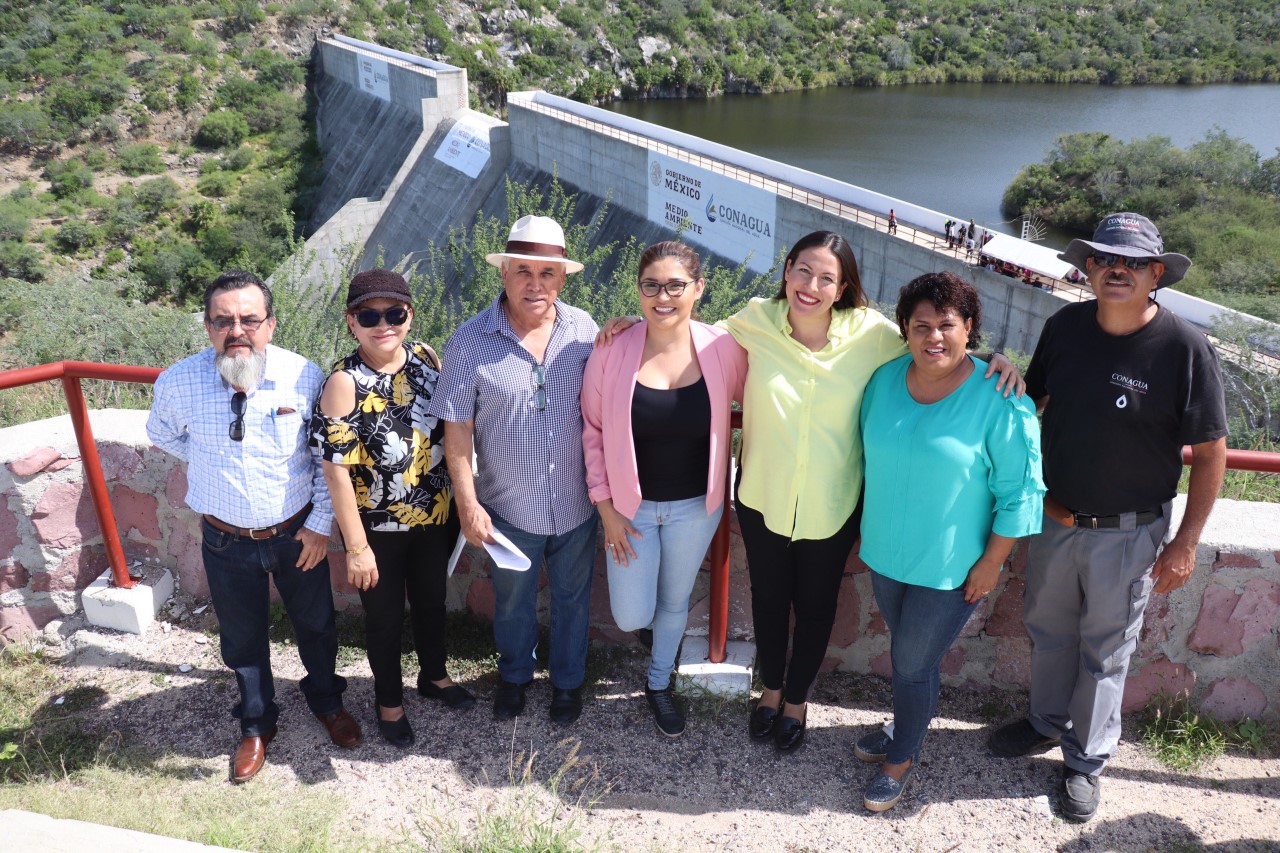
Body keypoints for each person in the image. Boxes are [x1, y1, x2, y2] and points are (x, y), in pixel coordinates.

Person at [599, 231, 1022, 755]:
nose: (812, 286)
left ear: (844, 287)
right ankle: (770, 693)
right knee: (770, 601)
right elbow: (683, 329)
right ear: (787, 271)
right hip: (762, 496)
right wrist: (629, 329)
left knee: (817, 607)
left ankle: (797, 701)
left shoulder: (870, 334)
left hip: (832, 502)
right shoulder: (755, 320)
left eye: (827, 278)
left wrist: (993, 357)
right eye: (803, 271)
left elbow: (933, 343)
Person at [988, 212, 1228, 823]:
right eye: (1103, 259)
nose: (1116, 270)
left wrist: (1185, 542)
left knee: (1106, 653)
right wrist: (996, 374)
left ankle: (1086, 761)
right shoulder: (1066, 325)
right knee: (1048, 631)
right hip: (1056, 520)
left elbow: (1209, 454)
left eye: (1133, 263)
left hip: (1129, 533)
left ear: (1156, 275)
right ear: (1088, 268)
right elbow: (1031, 401)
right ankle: (1045, 722)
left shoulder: (1183, 347)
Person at [147, 271, 360, 784]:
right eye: (224, 321)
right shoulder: (179, 381)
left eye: (249, 319)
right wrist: (211, 464)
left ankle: (326, 700)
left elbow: (322, 456)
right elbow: (162, 434)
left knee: (317, 626)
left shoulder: (304, 376)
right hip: (224, 539)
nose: (236, 330)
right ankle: (257, 722)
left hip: (296, 536)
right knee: (241, 640)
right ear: (207, 327)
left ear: (270, 324)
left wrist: (319, 524)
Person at [854, 271, 1044, 812]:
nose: (933, 337)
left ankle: (903, 756)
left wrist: (992, 563)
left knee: (912, 662)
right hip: (888, 554)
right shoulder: (884, 380)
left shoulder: (1000, 397)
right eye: (921, 327)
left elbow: (1019, 494)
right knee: (911, 657)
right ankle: (903, 728)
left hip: (953, 568)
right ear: (905, 332)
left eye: (947, 325)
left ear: (969, 330)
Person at [429, 215, 599, 725]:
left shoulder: (584, 330)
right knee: (512, 603)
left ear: (562, 279)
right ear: (504, 273)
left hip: (577, 503)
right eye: (523, 270)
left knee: (574, 599)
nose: (535, 283)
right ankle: (515, 678)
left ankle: (568, 684)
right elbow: (455, 428)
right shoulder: (470, 340)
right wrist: (468, 503)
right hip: (507, 505)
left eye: (547, 273)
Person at [581, 241, 747, 738]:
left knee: (675, 600)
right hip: (630, 510)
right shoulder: (613, 348)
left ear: (698, 289)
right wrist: (606, 507)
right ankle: (654, 639)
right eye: (651, 285)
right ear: (639, 289)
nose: (663, 296)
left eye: (676, 285)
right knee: (632, 614)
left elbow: (771, 387)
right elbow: (592, 430)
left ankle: (659, 683)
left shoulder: (722, 349)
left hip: (697, 506)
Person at [311, 269, 472, 750]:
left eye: (394, 313)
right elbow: (336, 470)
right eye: (369, 315)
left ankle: (434, 676)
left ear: (409, 315)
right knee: (383, 617)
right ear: (351, 322)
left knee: (431, 603)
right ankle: (389, 703)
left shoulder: (425, 357)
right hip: (377, 527)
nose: (383, 324)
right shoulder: (344, 382)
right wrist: (356, 547)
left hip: (434, 515)